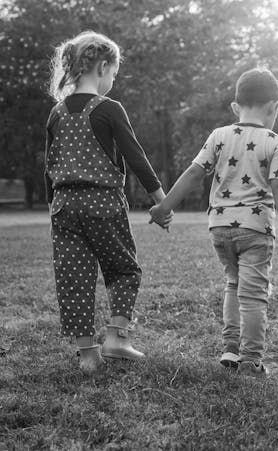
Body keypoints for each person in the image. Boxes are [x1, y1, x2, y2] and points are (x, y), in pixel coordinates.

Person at [150, 68, 278, 376]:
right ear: (274, 107)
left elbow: (194, 173)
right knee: (253, 295)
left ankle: (230, 350)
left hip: (220, 229)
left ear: (236, 107)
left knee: (233, 285)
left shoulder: (219, 136)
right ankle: (250, 360)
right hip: (255, 230)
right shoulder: (276, 142)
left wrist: (163, 206)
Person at [44, 31, 170, 373]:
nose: (113, 80)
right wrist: (161, 200)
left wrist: (52, 208)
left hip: (64, 205)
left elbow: (49, 166)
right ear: (102, 67)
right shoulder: (109, 109)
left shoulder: (56, 113)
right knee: (124, 269)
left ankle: (88, 355)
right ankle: (117, 337)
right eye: (113, 73)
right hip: (102, 203)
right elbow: (137, 157)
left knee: (74, 277)